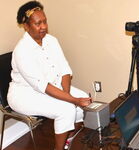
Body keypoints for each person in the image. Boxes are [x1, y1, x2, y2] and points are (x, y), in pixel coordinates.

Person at [7, 1, 92, 150]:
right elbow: (42, 86)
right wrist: (73, 100)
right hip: (25, 94)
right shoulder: (22, 51)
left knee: (81, 101)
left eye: (45, 21)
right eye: (38, 23)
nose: (44, 26)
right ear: (26, 26)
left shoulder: (52, 40)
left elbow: (65, 70)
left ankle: (68, 139)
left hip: (52, 86)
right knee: (66, 109)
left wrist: (67, 96)